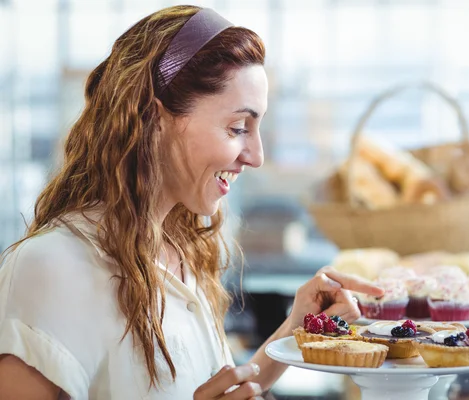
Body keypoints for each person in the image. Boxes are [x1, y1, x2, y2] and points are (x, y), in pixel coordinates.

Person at [0, 5, 384, 400]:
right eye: (238, 127)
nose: (256, 155)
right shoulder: (53, 266)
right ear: (154, 118)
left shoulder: (183, 248)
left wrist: (295, 329)